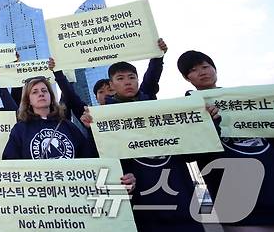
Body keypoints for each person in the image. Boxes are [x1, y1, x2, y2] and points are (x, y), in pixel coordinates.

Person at [79, 56, 210, 232]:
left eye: (132, 77)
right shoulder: (102, 119)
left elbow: (189, 154)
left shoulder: (158, 109)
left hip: (183, 202)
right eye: (121, 78)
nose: (128, 82)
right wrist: (91, 130)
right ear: (112, 85)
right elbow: (102, 161)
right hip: (142, 208)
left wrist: (211, 122)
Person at [0, 78, 135, 193]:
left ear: (51, 96)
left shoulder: (68, 127)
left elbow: (92, 160)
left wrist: (118, 180)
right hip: (38, 203)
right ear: (28, 100)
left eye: (44, 90)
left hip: (73, 200)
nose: (41, 94)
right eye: (35, 92)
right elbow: (8, 170)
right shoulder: (20, 129)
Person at [178, 50, 274, 231]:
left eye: (205, 66)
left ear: (215, 69)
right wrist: (209, 123)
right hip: (236, 205)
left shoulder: (248, 100)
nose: (202, 72)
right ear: (187, 78)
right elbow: (189, 153)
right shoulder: (188, 110)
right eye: (194, 70)